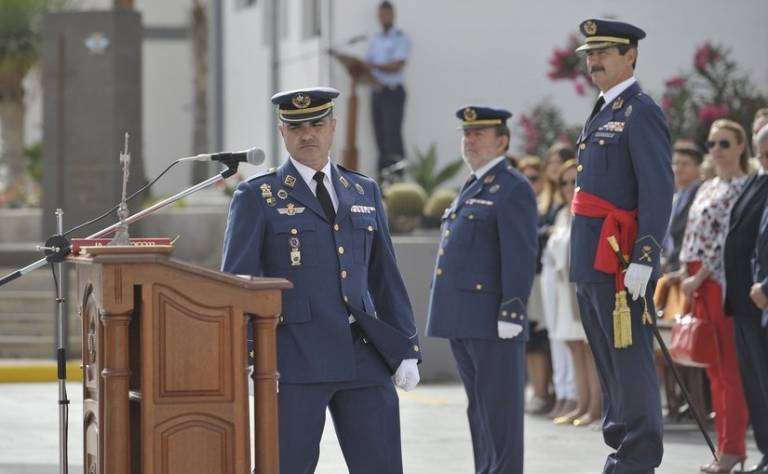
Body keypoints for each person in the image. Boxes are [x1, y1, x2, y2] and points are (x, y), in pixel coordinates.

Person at [221, 87, 421, 474]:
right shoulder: (258, 196)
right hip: (293, 360)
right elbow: (237, 283)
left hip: (363, 356)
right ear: (282, 132)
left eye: (316, 124)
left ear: (332, 127)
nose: (307, 134)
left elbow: (385, 276)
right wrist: (246, 356)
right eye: (296, 127)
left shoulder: (363, 190)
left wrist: (406, 347)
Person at [569, 19, 674, 473]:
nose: (594, 61)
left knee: (629, 363)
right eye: (590, 54)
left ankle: (639, 456)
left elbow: (657, 189)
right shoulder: (604, 110)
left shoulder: (640, 111)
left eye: (605, 52)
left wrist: (645, 260)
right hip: (592, 261)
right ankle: (621, 449)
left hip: (619, 262)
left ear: (630, 55)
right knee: (609, 365)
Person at [426, 106, 538, 474]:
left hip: (493, 320)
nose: (469, 140)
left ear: (502, 141)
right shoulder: (473, 184)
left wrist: (513, 308)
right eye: (466, 134)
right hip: (465, 319)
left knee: (500, 412)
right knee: (480, 409)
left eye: (479, 134)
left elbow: (520, 254)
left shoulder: (513, 187)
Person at [680, 119, 751, 473]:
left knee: (729, 370)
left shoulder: (743, 186)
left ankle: (733, 447)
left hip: (719, 282)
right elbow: (692, 232)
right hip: (695, 281)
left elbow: (728, 238)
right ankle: (724, 446)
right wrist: (684, 272)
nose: (717, 151)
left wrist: (701, 275)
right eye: (712, 144)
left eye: (724, 143)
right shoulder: (707, 186)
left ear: (741, 146)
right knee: (712, 368)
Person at [545, 160, 602, 428]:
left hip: (579, 286)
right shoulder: (562, 215)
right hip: (560, 289)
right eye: (564, 182)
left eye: (573, 181)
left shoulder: (587, 209)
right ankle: (581, 403)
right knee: (573, 346)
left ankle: (595, 406)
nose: (569, 187)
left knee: (589, 347)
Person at [733, 123, 768, 474]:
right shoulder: (757, 180)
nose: (764, 158)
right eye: (761, 152)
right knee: (756, 382)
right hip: (747, 301)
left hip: (762, 297)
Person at [518, 156, 555, 416]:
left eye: (534, 177)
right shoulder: (522, 204)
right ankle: (537, 390)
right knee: (529, 339)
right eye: (524, 178)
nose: (529, 183)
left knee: (541, 339)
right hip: (525, 278)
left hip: (543, 278)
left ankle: (544, 392)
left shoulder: (547, 207)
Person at [365, 1, 411, 177]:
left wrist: (373, 66)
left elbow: (396, 65)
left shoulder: (400, 38)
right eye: (380, 15)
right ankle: (382, 179)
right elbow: (366, 64)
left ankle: (398, 177)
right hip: (377, 92)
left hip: (393, 92)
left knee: (393, 136)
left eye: (386, 14)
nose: (383, 18)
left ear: (392, 15)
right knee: (380, 138)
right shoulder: (376, 39)